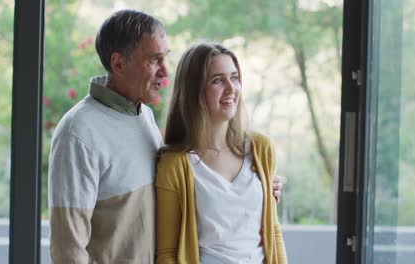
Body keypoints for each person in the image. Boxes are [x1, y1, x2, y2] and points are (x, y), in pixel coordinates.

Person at [48, 9, 283, 263]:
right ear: (118, 64)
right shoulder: (78, 132)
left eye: (165, 58)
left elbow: (181, 196)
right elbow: (67, 249)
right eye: (154, 60)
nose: (165, 71)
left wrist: (258, 192)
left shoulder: (144, 118)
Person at [155, 42, 288, 263]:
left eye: (234, 78)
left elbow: (273, 232)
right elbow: (168, 253)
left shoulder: (261, 149)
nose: (231, 88)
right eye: (218, 80)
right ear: (193, 91)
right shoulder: (175, 165)